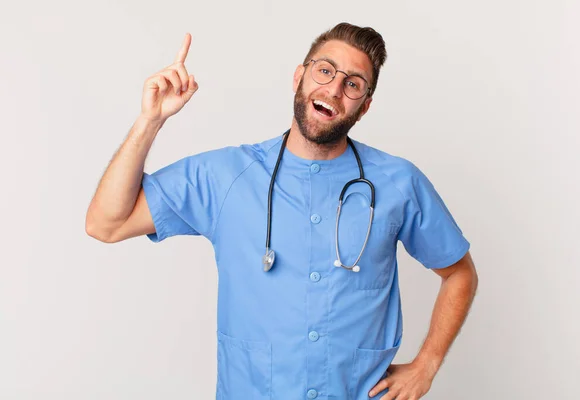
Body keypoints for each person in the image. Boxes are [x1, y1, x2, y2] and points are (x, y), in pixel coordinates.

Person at [86, 22, 478, 400]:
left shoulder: (398, 183)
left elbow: (459, 272)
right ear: (299, 77)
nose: (334, 88)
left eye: (353, 84)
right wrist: (150, 121)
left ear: (365, 107)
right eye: (325, 70)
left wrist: (427, 364)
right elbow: (106, 223)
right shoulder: (224, 176)